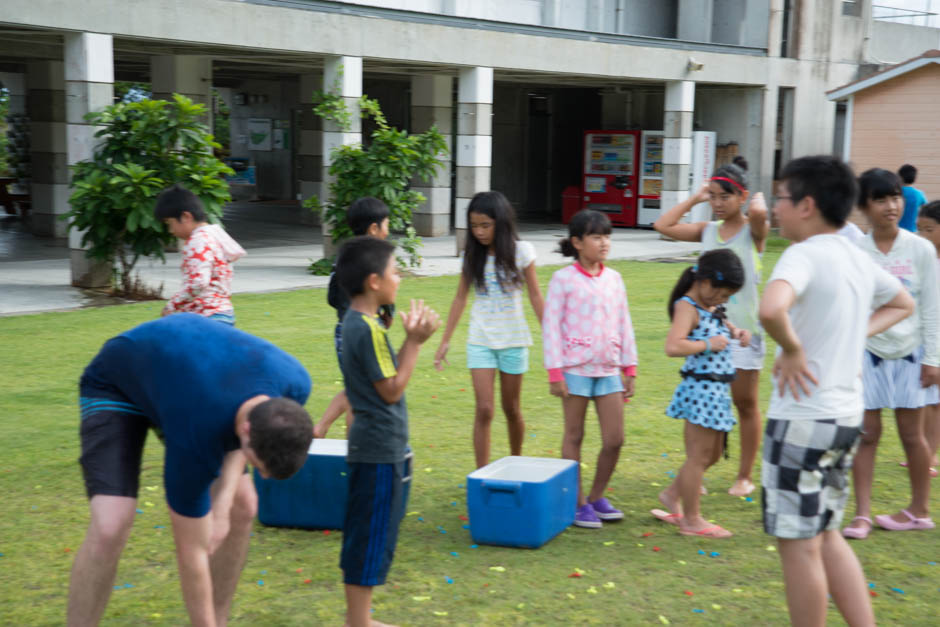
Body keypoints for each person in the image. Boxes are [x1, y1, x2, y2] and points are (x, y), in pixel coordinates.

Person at [67, 314, 314, 626]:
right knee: (111, 523)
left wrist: (222, 503)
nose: (261, 475)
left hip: (182, 380)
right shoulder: (197, 434)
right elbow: (192, 553)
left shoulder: (294, 385)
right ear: (248, 431)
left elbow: (240, 441)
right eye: (258, 465)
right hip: (117, 381)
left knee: (243, 505)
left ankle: (219, 620)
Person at [759, 155, 914, 627]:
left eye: (781, 198)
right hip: (845, 419)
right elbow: (902, 302)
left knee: (798, 544)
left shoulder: (803, 254)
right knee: (826, 534)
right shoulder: (855, 254)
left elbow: (771, 309)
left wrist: (791, 347)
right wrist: (849, 334)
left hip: (803, 419)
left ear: (807, 204)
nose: (775, 209)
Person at [334, 236, 440, 627]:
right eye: (395, 271)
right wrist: (413, 342)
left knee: (370, 533)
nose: (400, 278)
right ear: (374, 281)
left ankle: (359, 619)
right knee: (370, 537)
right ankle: (359, 622)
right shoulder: (367, 329)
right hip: (378, 451)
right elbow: (391, 390)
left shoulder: (361, 323)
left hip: (376, 447)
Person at [653, 162, 769, 497]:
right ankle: (696, 470)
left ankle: (744, 475)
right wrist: (695, 198)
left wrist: (755, 199)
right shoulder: (706, 230)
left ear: (741, 196)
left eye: (725, 196)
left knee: (744, 403)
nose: (717, 203)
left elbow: (760, 213)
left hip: (742, 332)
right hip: (707, 335)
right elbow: (663, 225)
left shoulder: (753, 232)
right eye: (713, 197)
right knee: (705, 403)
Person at [843, 168, 939, 539]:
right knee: (866, 433)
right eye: (881, 199)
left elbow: (931, 306)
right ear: (864, 206)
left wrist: (934, 358)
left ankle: (919, 510)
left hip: (912, 353)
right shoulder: (855, 251)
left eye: (896, 197)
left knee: (913, 436)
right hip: (867, 353)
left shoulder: (920, 248)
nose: (891, 206)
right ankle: (862, 514)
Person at [434, 191, 545, 468]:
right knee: (484, 409)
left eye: (485, 225)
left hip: (514, 340)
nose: (479, 232)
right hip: (480, 340)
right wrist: (445, 340)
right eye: (474, 226)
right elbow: (460, 298)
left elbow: (535, 295)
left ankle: (515, 463)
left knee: (511, 409)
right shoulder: (472, 256)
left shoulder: (522, 252)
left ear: (501, 222)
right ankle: (481, 474)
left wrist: (551, 336)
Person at [542, 209, 637, 528]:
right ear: (578, 242)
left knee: (615, 438)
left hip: (609, 369)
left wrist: (630, 367)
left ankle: (596, 496)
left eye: (607, 236)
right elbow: (551, 327)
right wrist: (555, 372)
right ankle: (577, 501)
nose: (604, 242)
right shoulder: (562, 280)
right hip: (574, 369)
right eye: (597, 236)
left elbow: (625, 322)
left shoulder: (615, 279)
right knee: (575, 435)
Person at [652, 249, 750, 538]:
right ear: (705, 282)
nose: (725, 300)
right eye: (723, 293)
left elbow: (723, 328)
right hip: (700, 390)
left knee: (714, 454)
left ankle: (672, 494)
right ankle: (692, 520)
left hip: (718, 390)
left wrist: (738, 333)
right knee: (698, 456)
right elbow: (673, 346)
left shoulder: (711, 307)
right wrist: (708, 344)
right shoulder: (687, 307)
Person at [315, 197, 394, 439]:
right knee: (363, 392)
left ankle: (322, 428)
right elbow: (383, 293)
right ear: (374, 228)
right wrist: (387, 312)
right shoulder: (374, 259)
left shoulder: (344, 257)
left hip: (342, 329)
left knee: (356, 388)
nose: (388, 230)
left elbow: (331, 296)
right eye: (386, 224)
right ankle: (354, 447)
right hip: (365, 329)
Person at [155, 184, 246, 325]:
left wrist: (172, 306)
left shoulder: (197, 240)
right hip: (225, 313)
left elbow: (198, 282)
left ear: (186, 216)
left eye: (169, 223)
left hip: (206, 317)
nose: (170, 231)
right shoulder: (215, 234)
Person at [916, 200, 940, 477]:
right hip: (926, 335)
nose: (923, 236)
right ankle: (923, 452)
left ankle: (929, 455)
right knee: (925, 397)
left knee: (935, 402)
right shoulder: (925, 258)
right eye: (920, 229)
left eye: (929, 229)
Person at [898, 163, 927, 233]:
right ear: (915, 178)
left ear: (900, 177)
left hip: (897, 231)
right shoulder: (919, 194)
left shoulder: (896, 193)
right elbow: (927, 210)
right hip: (913, 231)